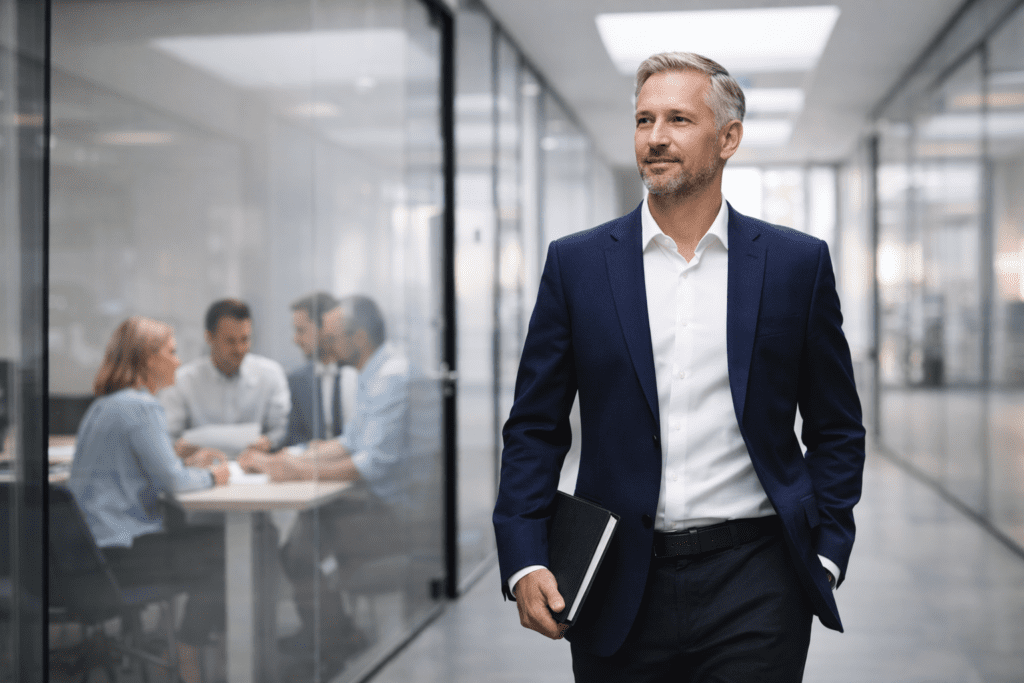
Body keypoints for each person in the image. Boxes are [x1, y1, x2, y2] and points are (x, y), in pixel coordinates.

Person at [492, 51, 866, 682]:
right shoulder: (578, 266)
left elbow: (836, 425)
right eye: (643, 120)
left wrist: (826, 550)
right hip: (617, 579)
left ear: (729, 139)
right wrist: (525, 558)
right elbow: (534, 426)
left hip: (758, 579)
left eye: (678, 120)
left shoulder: (795, 265)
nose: (656, 138)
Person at [241, 295, 410, 676]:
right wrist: (291, 461)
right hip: (374, 505)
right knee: (300, 543)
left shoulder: (390, 378)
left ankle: (336, 652)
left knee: (301, 547)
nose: (326, 345)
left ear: (360, 338)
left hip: (394, 516)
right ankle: (337, 642)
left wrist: (299, 470)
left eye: (333, 337)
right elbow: (350, 441)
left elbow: (373, 463)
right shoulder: (375, 373)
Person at [67, 317, 231, 683]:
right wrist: (212, 476)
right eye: (171, 353)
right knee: (230, 552)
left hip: (91, 554)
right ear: (148, 359)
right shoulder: (142, 407)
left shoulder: (105, 405)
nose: (178, 361)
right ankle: (188, 649)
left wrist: (179, 458)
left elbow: (144, 466)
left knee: (208, 544)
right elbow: (173, 482)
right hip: (124, 554)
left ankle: (179, 646)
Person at [160, 298, 291, 459]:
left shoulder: (270, 374)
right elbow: (169, 437)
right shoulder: (183, 381)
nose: (239, 349)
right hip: (201, 472)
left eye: (245, 339)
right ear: (209, 337)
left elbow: (281, 429)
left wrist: (268, 442)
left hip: (257, 471)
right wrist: (184, 450)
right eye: (230, 341)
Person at [283, 291, 354, 446]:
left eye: (301, 330)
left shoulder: (357, 373)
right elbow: (293, 438)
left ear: (326, 328)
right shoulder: (296, 380)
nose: (295, 340)